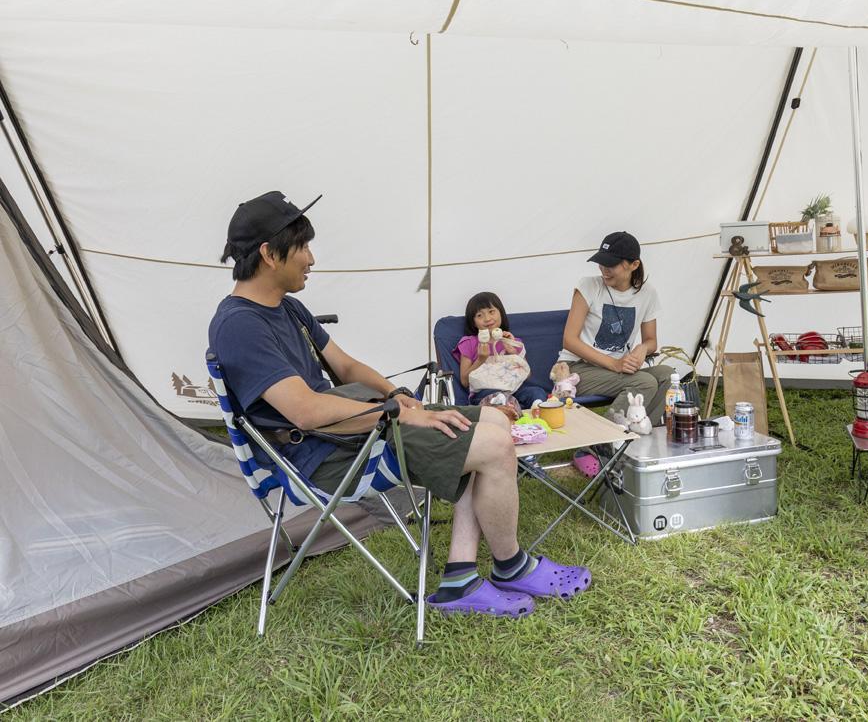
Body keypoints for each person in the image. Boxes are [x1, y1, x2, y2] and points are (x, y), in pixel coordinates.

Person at [207, 191, 590, 617]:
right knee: (493, 446)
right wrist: (406, 415)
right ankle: (510, 565)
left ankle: (461, 579)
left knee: (494, 423)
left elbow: (347, 366)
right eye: (303, 247)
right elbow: (307, 413)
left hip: (357, 429)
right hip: (324, 455)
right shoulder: (240, 325)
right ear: (269, 254)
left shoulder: (289, 308)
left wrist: (397, 397)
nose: (311, 258)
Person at [559, 231, 674, 425]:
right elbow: (569, 341)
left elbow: (651, 341)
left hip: (616, 369)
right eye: (601, 262)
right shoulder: (588, 286)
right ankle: (601, 445)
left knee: (667, 376)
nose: (603, 269)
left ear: (634, 265)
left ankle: (636, 438)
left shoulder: (647, 293)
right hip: (577, 368)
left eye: (611, 264)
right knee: (643, 382)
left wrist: (641, 349)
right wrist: (614, 364)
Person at [454, 291, 548, 408]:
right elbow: (464, 381)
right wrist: (480, 360)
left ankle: (537, 410)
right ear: (473, 322)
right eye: (479, 315)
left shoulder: (514, 342)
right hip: (485, 393)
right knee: (495, 397)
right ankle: (507, 407)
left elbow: (527, 375)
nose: (487, 318)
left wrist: (513, 353)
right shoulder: (469, 343)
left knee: (536, 392)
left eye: (491, 312)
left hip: (515, 390)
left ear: (501, 314)